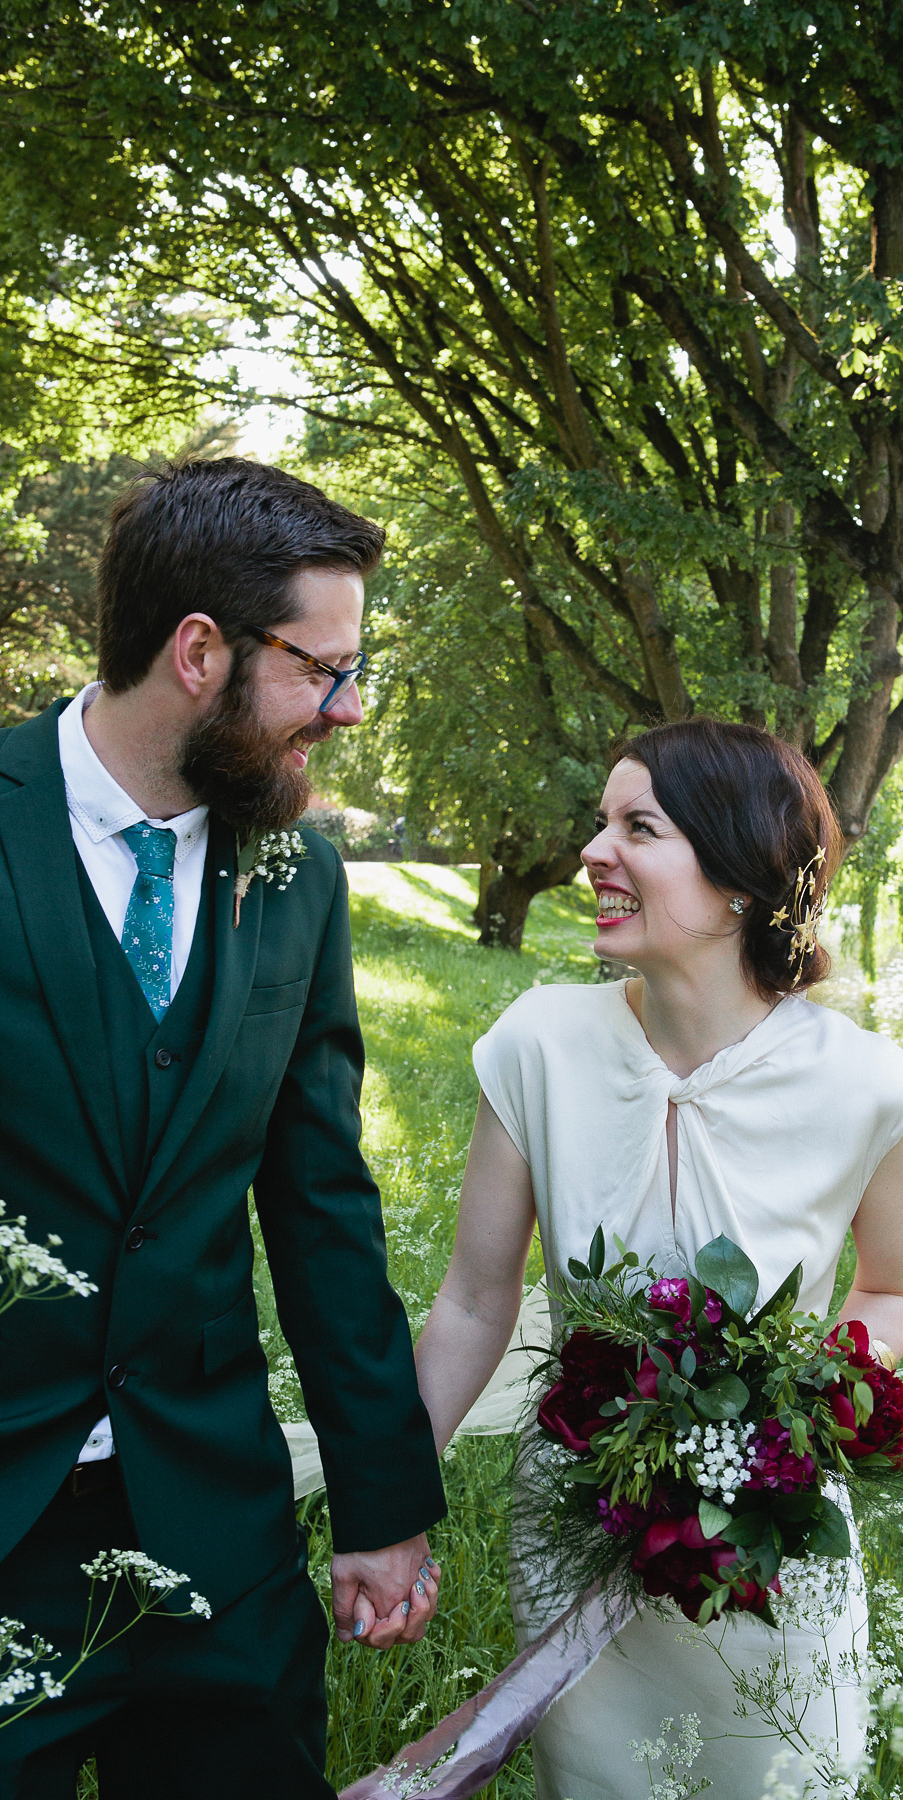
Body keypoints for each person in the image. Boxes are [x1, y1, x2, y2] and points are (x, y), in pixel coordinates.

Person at [0, 459, 445, 1800]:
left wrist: (380, 1503)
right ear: (200, 650)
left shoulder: (297, 869)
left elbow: (320, 1198)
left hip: (217, 1535)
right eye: (324, 669)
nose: (350, 709)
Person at [415, 719, 903, 1799]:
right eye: (601, 823)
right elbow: (474, 1301)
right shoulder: (537, 1044)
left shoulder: (872, 1087)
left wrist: (777, 1416)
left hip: (768, 1537)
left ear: (742, 878)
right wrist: (393, 1502)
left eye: (637, 827)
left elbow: (892, 1286)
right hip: (580, 1515)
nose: (593, 852)